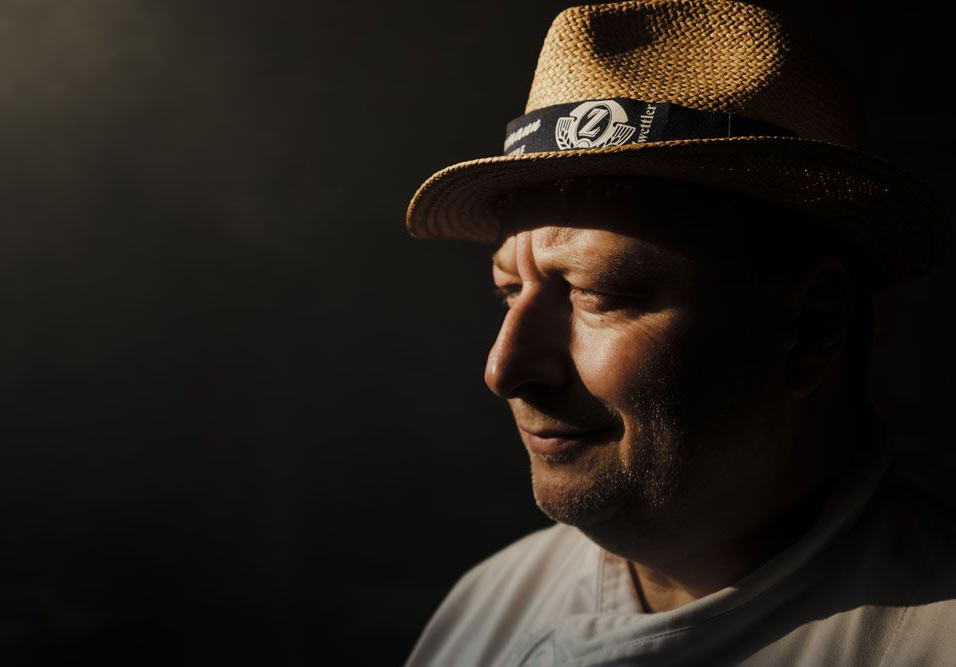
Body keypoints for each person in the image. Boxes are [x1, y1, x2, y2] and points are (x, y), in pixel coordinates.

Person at [402, 2, 955, 666]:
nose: (506, 367)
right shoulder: (480, 615)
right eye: (509, 292)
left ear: (811, 325)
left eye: (595, 293)